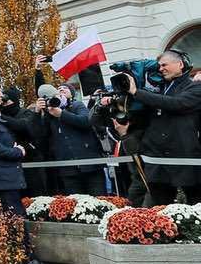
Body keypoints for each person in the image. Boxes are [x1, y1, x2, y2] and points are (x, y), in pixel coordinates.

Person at [0, 81, 55, 264]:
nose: (1, 95)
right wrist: (16, 151)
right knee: (15, 218)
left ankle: (14, 259)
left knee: (7, 219)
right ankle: (26, 260)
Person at [123, 49, 201, 204]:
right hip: (157, 163)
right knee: (158, 212)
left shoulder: (194, 88)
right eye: (159, 66)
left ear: (180, 64)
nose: (160, 69)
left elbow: (176, 104)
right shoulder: (157, 89)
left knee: (196, 206)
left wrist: (137, 92)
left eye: (164, 64)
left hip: (186, 161)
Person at [33, 84, 106, 195]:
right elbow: (40, 136)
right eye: (58, 89)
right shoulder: (49, 115)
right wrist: (37, 114)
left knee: (100, 200)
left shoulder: (77, 105)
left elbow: (86, 121)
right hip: (68, 170)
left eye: (64, 88)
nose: (61, 89)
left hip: (91, 166)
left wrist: (62, 114)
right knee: (75, 205)